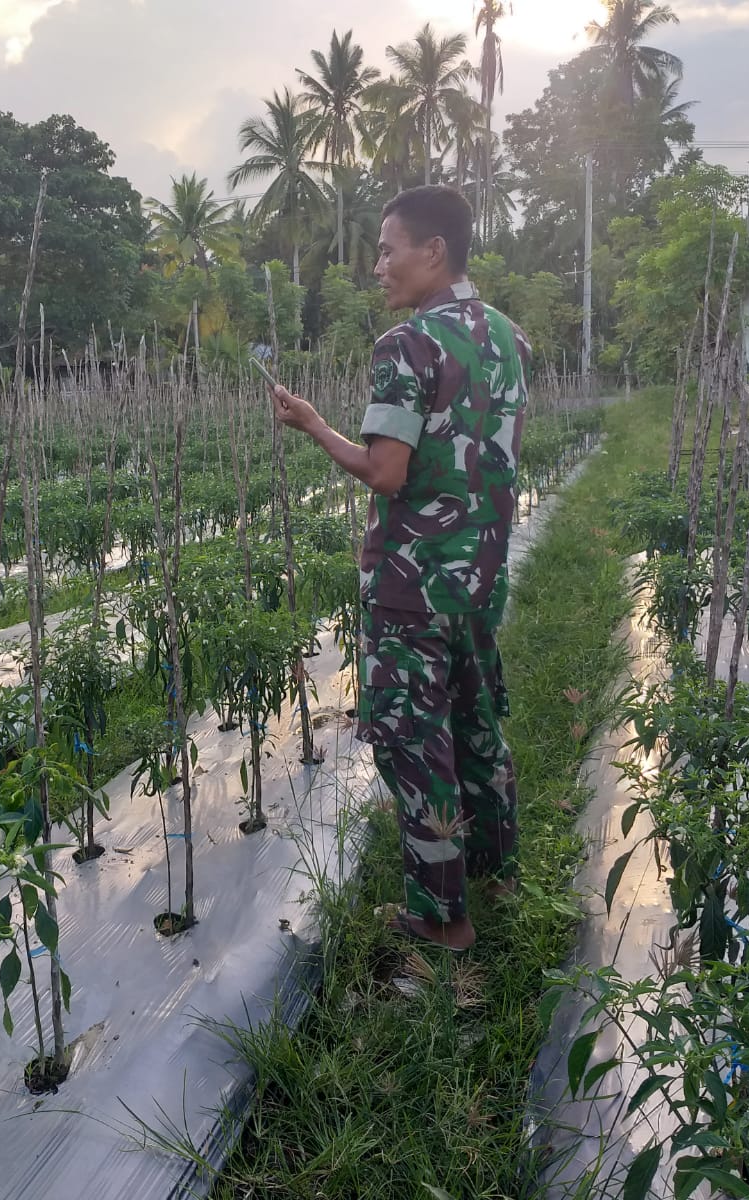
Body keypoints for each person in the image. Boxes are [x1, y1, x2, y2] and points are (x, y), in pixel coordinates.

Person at [269, 185, 529, 952]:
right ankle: (494, 868)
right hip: (479, 575)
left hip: (412, 584)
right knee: (475, 721)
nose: (376, 266)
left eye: (387, 249)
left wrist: (313, 423)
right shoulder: (507, 337)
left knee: (412, 741)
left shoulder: (406, 345)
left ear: (432, 251)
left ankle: (440, 919)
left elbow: (385, 472)